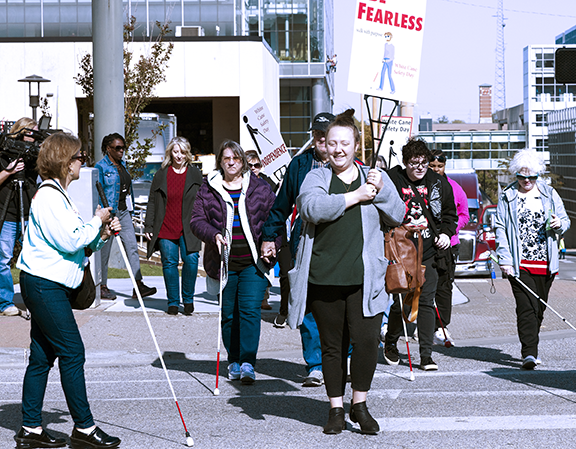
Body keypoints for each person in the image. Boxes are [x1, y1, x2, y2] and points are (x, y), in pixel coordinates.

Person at [287, 110, 405, 434]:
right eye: (332, 143)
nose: (338, 149)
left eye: (345, 143)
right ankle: (336, 408)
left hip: (366, 278)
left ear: (356, 145)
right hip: (324, 276)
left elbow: (397, 214)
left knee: (367, 342)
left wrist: (379, 190)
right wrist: (355, 196)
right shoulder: (317, 176)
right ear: (324, 145)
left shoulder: (374, 177)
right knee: (332, 346)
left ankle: (360, 405)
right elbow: (311, 207)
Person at [15, 132, 121, 449]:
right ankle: (84, 428)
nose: (81, 163)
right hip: (44, 284)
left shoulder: (58, 195)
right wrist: (97, 218)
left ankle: (31, 428)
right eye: (78, 157)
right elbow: (72, 240)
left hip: (48, 282)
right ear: (65, 161)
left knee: (42, 356)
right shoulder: (48, 195)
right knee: (72, 352)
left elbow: (77, 245)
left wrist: (102, 234)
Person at [190, 140, 277, 384]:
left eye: (236, 158)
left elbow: (275, 219)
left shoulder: (260, 188)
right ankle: (234, 360)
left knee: (249, 311)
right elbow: (197, 221)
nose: (231, 162)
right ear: (220, 161)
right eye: (226, 158)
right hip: (224, 263)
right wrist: (213, 234)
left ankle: (248, 362)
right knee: (229, 315)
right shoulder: (209, 187)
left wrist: (272, 243)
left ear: (242, 162)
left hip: (253, 263)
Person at [260, 112, 335, 387]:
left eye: (326, 134)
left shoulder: (351, 166)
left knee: (341, 304)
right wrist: (269, 237)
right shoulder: (299, 165)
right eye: (317, 134)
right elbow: (281, 206)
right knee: (308, 303)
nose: (321, 140)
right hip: (305, 243)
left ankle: (342, 358)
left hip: (340, 245)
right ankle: (315, 364)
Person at [384, 138, 457, 371]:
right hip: (401, 249)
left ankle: (426, 355)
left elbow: (449, 214)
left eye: (424, 163)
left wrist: (446, 233)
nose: (419, 168)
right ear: (405, 162)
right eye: (414, 163)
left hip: (429, 250)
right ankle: (391, 342)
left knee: (426, 300)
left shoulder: (438, 183)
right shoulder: (393, 178)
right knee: (403, 300)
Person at [494, 149, 570, 369]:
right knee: (525, 306)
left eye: (531, 176)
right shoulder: (508, 196)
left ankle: (531, 345)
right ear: (515, 175)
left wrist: (559, 224)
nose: (526, 181)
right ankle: (529, 353)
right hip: (519, 264)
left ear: (538, 175)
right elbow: (500, 228)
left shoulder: (549, 193)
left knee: (538, 308)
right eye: (521, 176)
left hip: (546, 263)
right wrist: (505, 260)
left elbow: (565, 220)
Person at [144, 137, 203, 315]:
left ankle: (188, 299)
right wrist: (148, 225)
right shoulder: (161, 173)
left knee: (191, 261)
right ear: (170, 152)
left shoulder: (195, 174)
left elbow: (203, 200)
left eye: (182, 152)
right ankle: (173, 302)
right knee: (169, 263)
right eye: (175, 152)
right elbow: (152, 201)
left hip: (189, 226)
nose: (179, 156)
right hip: (166, 225)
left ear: (188, 154)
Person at [95, 133, 156, 300]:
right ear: (108, 149)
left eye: (123, 148)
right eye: (117, 148)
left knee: (132, 247)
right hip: (109, 214)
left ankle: (138, 286)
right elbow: (98, 193)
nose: (121, 151)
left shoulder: (123, 165)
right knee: (104, 251)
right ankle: (101, 286)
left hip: (124, 212)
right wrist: (105, 215)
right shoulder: (100, 167)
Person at [428, 149, 470, 345]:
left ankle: (441, 326)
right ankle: (422, 323)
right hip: (425, 242)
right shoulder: (421, 186)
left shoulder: (454, 187)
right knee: (424, 284)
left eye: (440, 166)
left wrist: (450, 230)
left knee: (444, 285)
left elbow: (464, 215)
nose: (436, 170)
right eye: (432, 166)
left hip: (448, 244)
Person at [0, 117, 38, 317]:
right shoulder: (4, 152)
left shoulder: (33, 156)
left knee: (31, 257)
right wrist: (10, 170)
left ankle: (33, 299)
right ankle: (5, 303)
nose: (34, 138)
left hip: (28, 213)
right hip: (8, 214)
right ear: (21, 132)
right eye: (32, 133)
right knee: (4, 259)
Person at [245, 150, 279, 311]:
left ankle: (264, 297)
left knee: (265, 264)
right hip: (247, 229)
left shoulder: (267, 182)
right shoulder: (240, 182)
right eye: (249, 165)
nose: (253, 168)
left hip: (263, 229)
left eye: (256, 165)